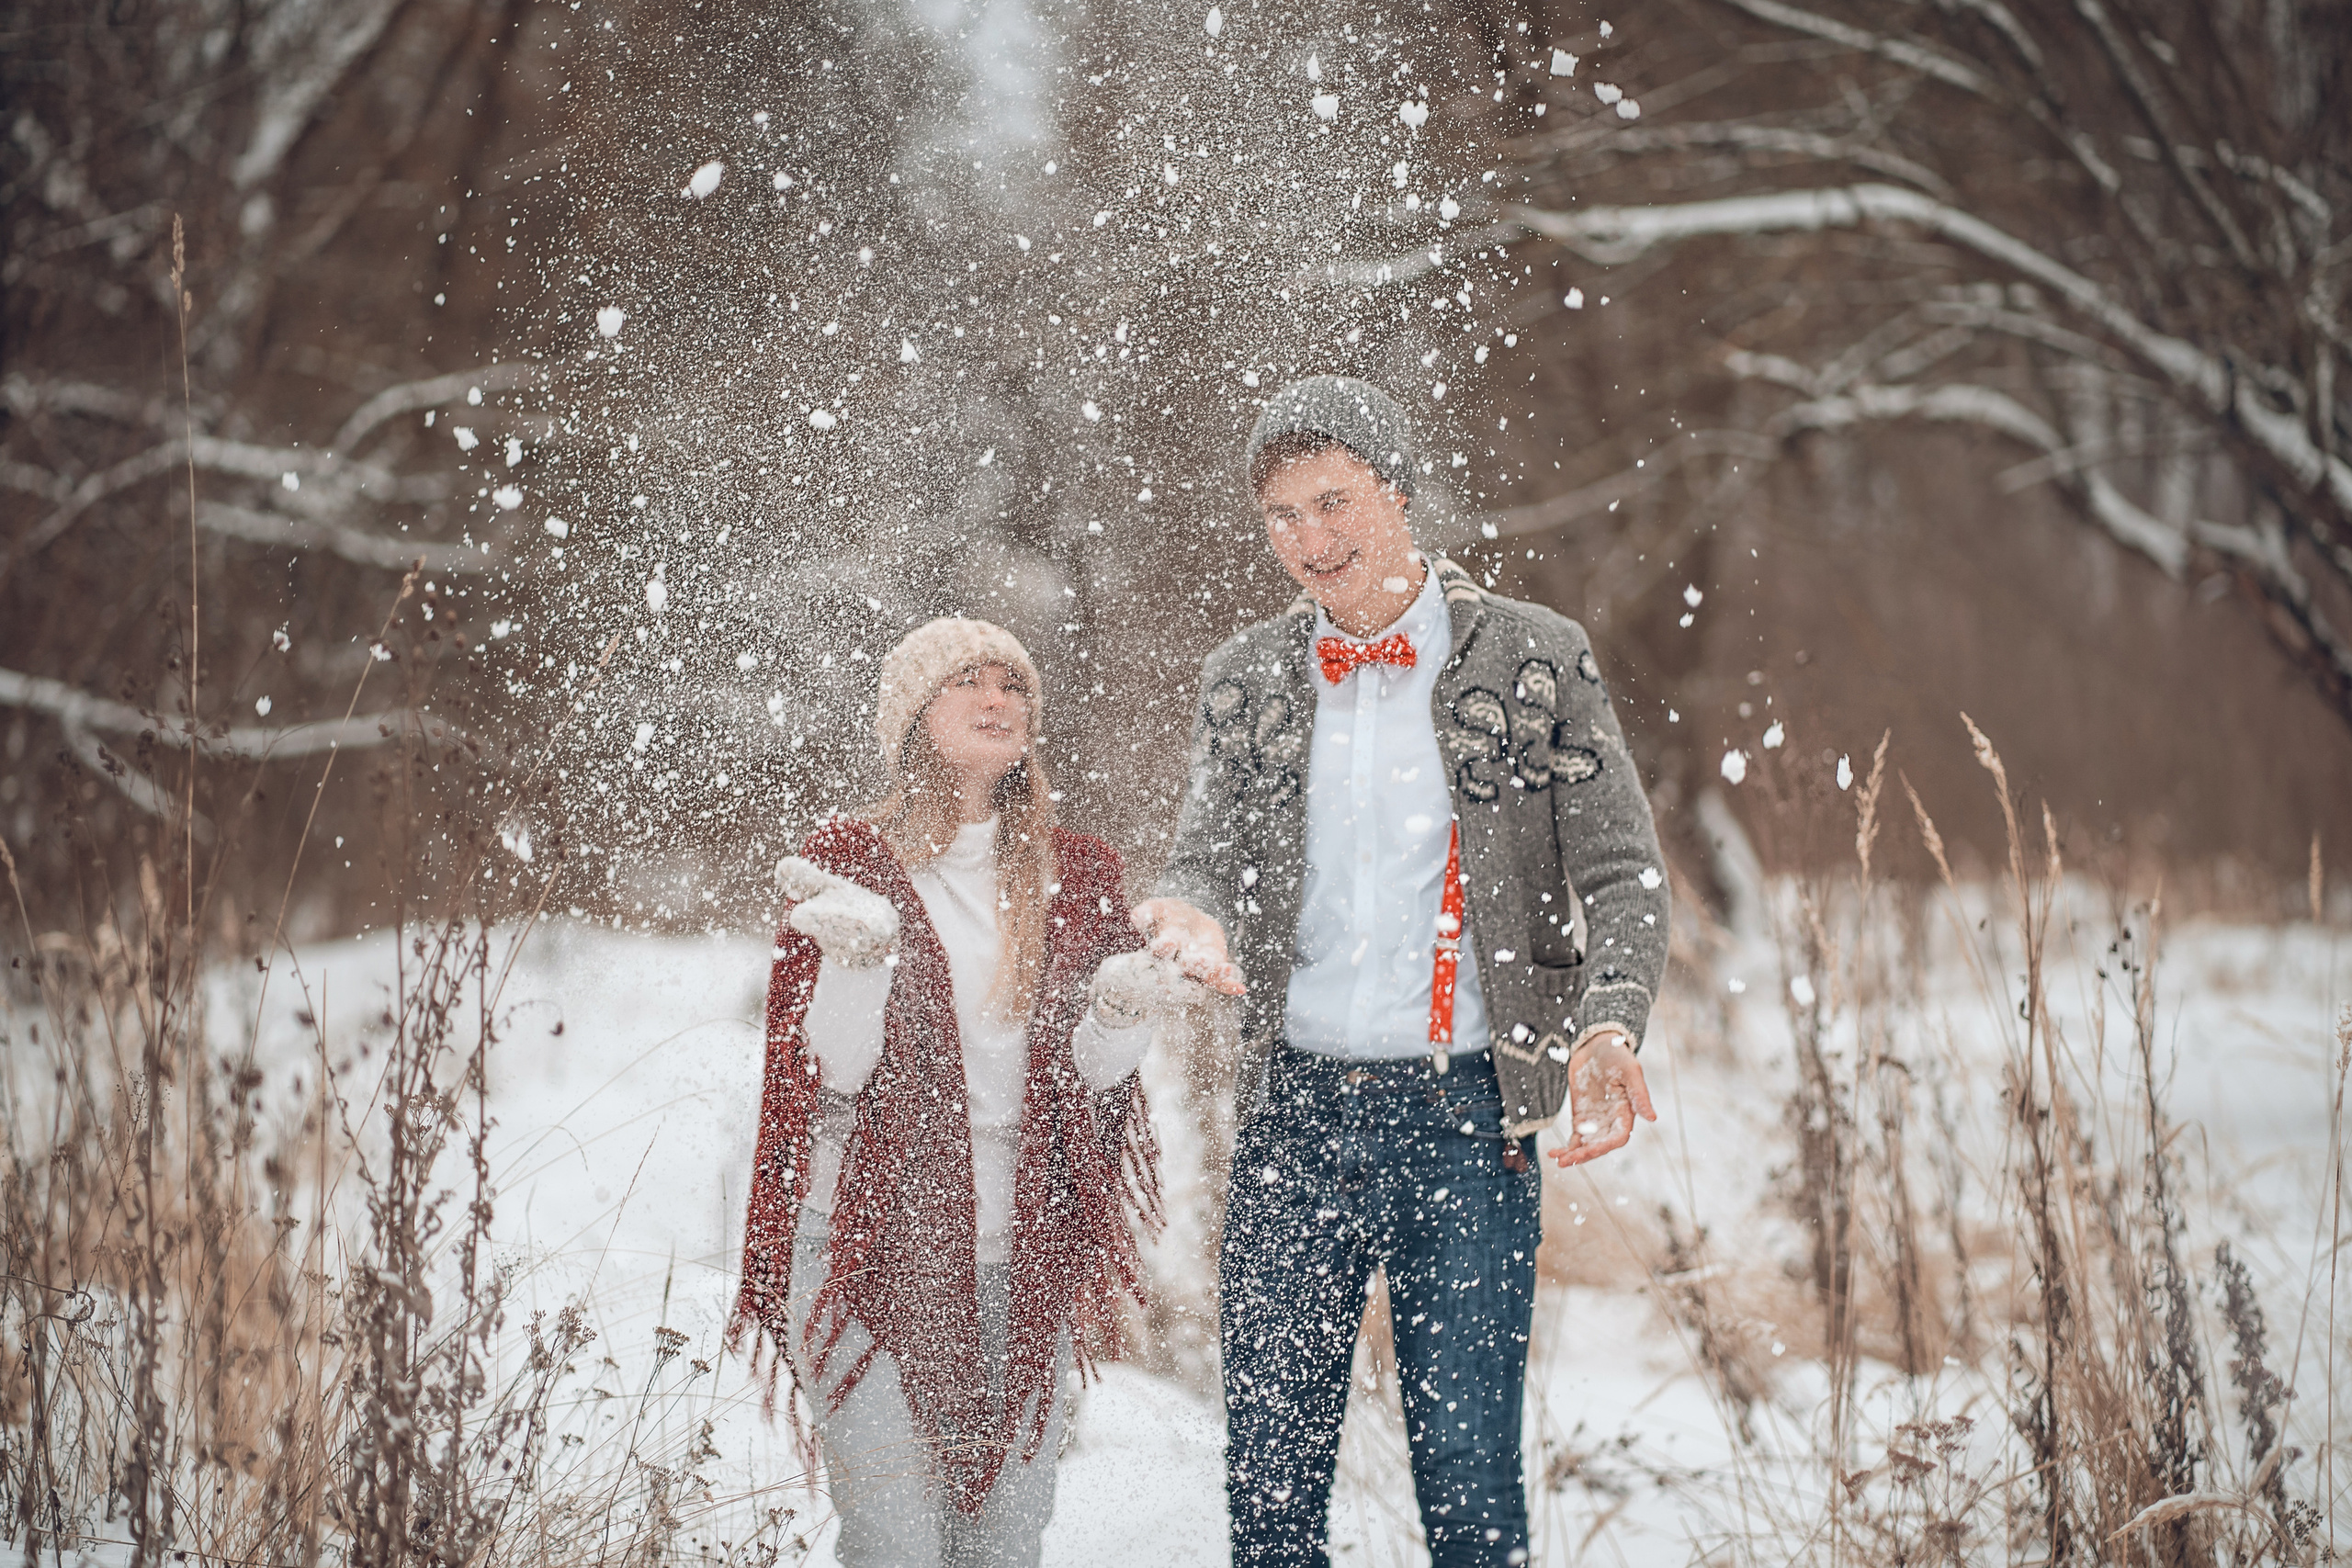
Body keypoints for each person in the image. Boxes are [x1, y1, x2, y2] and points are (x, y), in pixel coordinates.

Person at [1135, 376, 1673, 1567]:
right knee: (1269, 1501)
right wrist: (1193, 911)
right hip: (1292, 1116)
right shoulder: (1246, 680)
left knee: (1472, 1500)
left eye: (1333, 501)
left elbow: (1627, 873)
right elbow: (1203, 857)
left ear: (1400, 490)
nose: (1311, 540)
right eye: (1281, 516)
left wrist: (1609, 1022)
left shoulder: (1537, 660)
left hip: (1469, 1115)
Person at [729, 616, 1229, 1568]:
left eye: (1014, 684)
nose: (1000, 698)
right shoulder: (847, 864)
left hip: (1020, 1260)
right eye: (969, 680)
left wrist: (1120, 1014)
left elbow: (1089, 1093)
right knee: (896, 1541)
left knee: (1003, 1542)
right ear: (915, 714)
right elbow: (829, 1078)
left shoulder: (1076, 874)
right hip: (859, 1255)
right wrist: (859, 961)